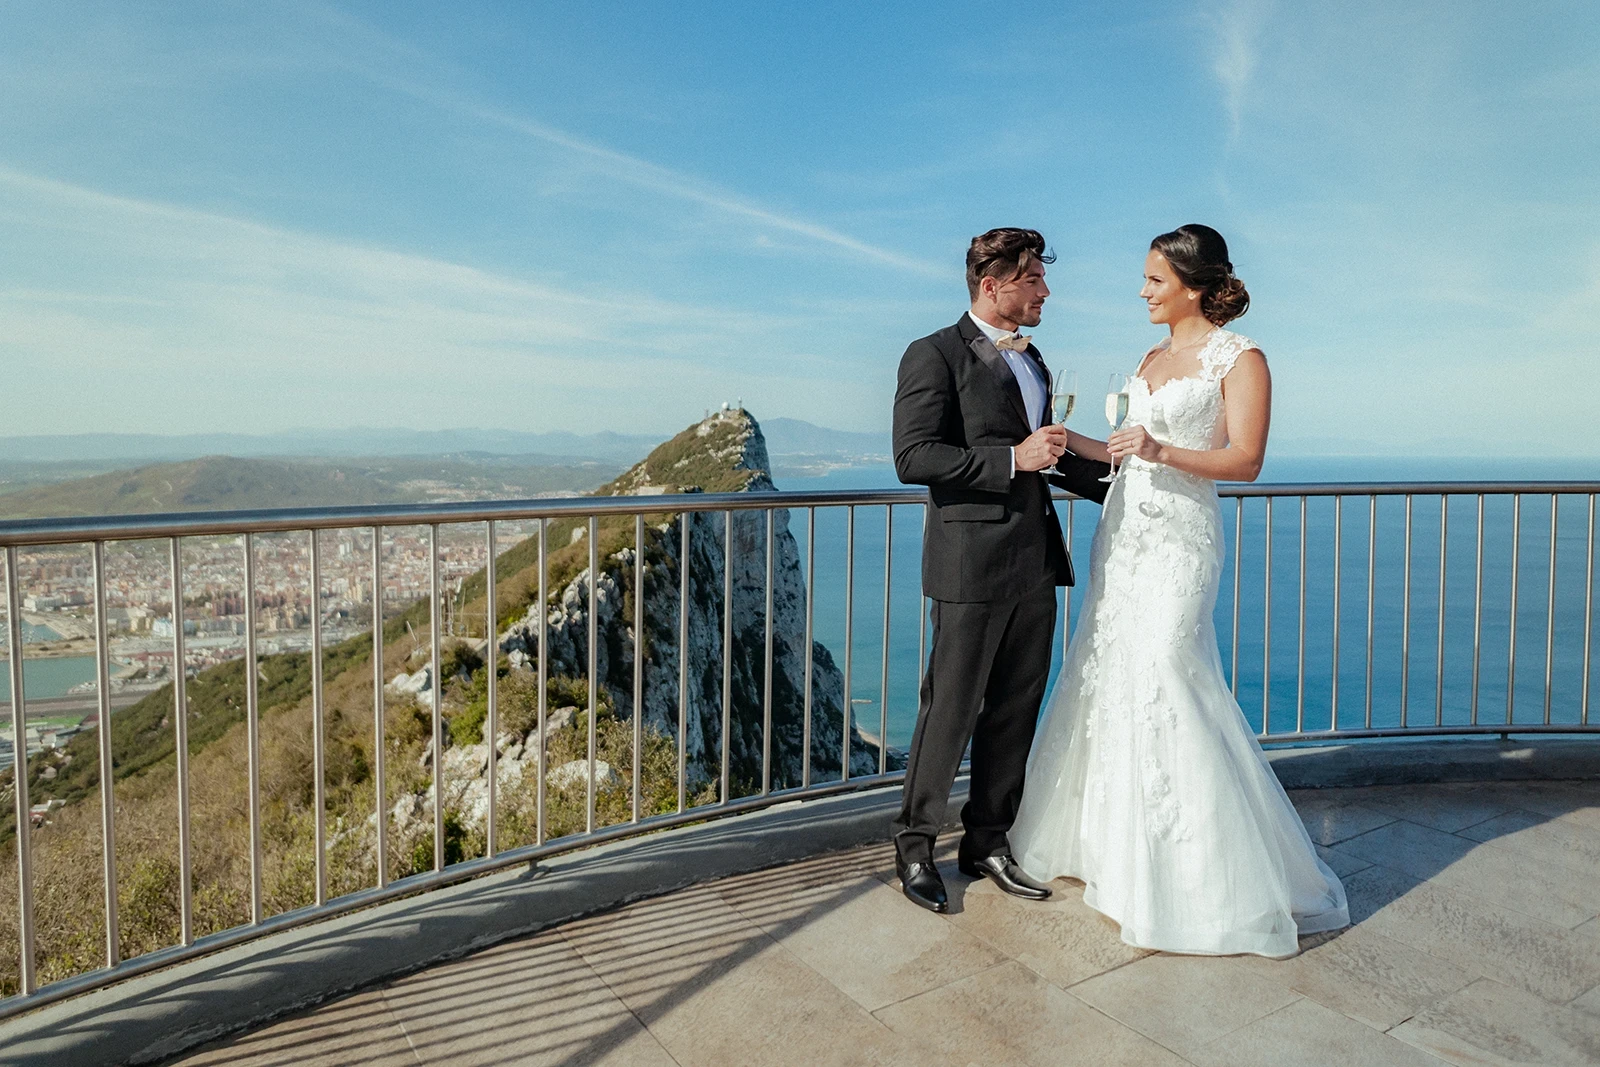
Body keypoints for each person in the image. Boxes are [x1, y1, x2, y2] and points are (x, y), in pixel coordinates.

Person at [1008, 224, 1349, 957]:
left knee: (1168, 671)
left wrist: (1162, 450)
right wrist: (1077, 442)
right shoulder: (1150, 357)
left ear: (1193, 285)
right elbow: (1128, 449)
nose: (1142, 291)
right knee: (1111, 675)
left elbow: (1247, 458)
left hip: (1181, 543)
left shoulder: (1241, 356)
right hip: (1125, 535)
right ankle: (1118, 860)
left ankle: (1205, 876)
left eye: (1154, 280)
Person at [890, 228, 1109, 913]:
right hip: (969, 566)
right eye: (1035, 279)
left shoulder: (1033, 358)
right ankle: (914, 846)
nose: (1046, 291)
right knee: (949, 710)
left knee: (1016, 708)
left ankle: (986, 840)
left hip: (1034, 563)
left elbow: (1049, 452)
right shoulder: (932, 353)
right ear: (994, 285)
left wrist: (1127, 481)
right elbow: (915, 456)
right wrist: (1011, 459)